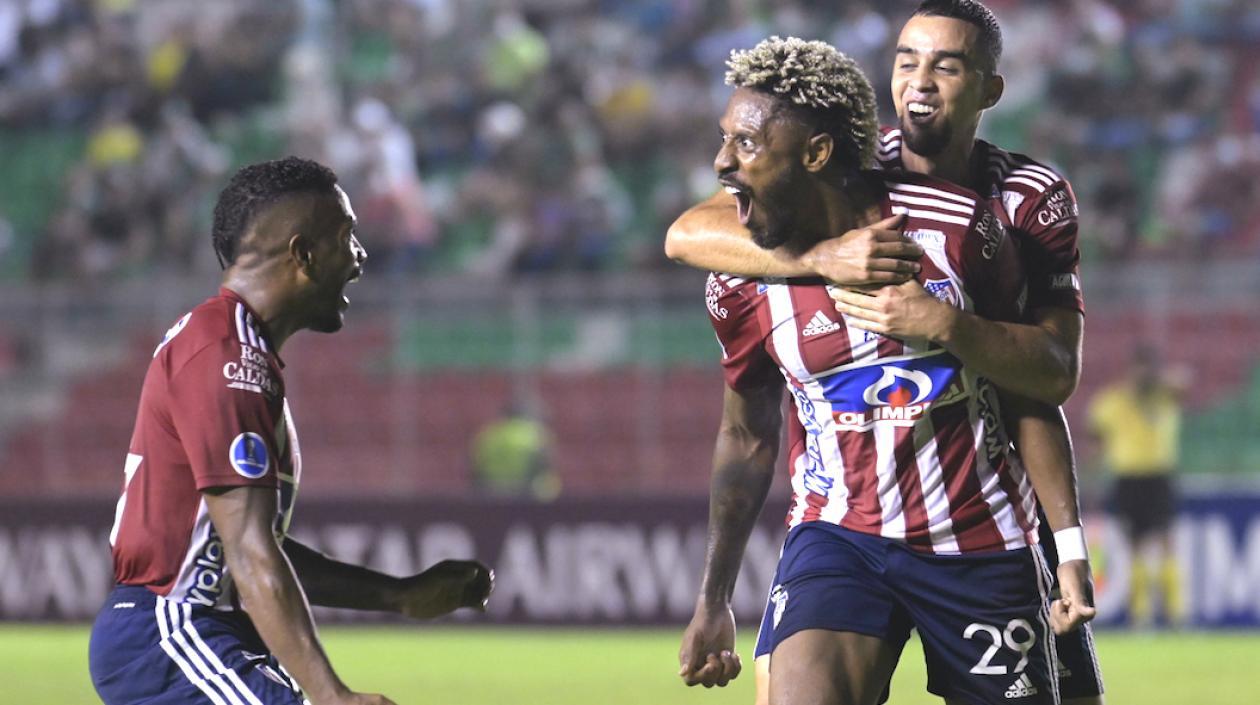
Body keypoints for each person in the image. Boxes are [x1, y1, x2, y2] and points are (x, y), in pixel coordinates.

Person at [665, 2, 1103, 703]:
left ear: (989, 89)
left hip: (979, 531)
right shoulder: (780, 229)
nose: (920, 81)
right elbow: (687, 235)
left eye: (946, 64)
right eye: (906, 61)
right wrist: (824, 254)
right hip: (840, 528)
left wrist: (947, 323)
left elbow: (1043, 379)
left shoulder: (996, 216)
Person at [88, 157, 495, 705]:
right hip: (171, 634)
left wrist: (400, 596)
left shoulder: (232, 348)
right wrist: (331, 696)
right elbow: (251, 552)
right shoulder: (227, 358)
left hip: (185, 632)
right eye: (347, 237)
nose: (360, 256)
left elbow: (245, 549)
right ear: (303, 253)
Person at [1089, 343, 1186, 629]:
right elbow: (1097, 440)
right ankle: (1141, 615)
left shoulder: (1164, 394)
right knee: (1135, 547)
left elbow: (1184, 386)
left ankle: (1176, 614)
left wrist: (1157, 380)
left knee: (1167, 542)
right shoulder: (1112, 400)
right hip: (1127, 478)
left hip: (1159, 475)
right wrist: (1091, 477)